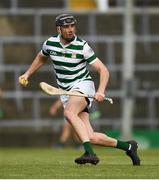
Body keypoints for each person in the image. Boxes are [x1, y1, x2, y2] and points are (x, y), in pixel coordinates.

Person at [19, 13, 140, 165]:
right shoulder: (50, 44)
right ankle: (129, 146)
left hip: (83, 85)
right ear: (59, 29)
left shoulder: (82, 46)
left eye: (72, 26)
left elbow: (104, 70)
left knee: (69, 113)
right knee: (91, 136)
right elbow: (41, 57)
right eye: (66, 27)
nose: (70, 30)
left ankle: (89, 153)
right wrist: (27, 73)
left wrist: (101, 90)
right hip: (66, 92)